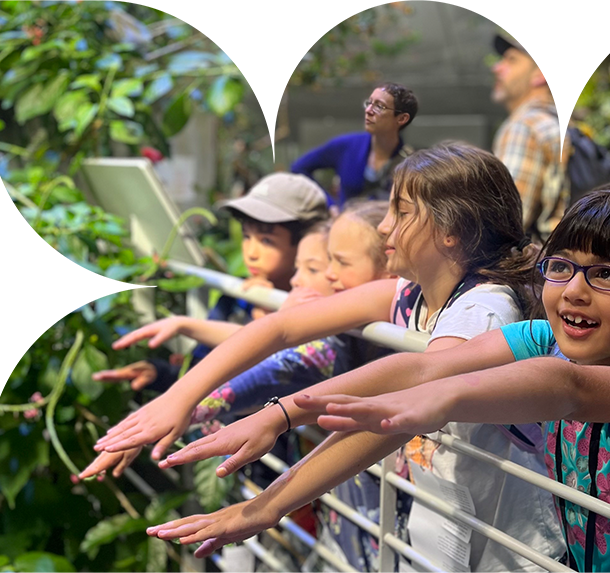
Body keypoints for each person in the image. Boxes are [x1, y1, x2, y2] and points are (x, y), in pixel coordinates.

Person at [147, 186, 610, 572]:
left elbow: (573, 391)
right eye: (562, 266)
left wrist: (430, 404)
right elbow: (424, 362)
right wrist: (284, 415)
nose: (574, 290)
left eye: (608, 274)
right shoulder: (546, 334)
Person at [95, 142, 566, 573]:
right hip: (445, 520)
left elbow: (404, 402)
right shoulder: (412, 294)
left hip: (505, 549)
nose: (384, 226)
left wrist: (270, 484)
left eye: (401, 213)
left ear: (452, 231)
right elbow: (282, 327)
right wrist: (179, 396)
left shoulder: (484, 310)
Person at [79, 202, 393, 479]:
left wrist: (175, 406)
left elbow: (271, 353)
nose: (325, 275)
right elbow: (269, 345)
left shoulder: (334, 339)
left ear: (390, 268)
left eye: (332, 264)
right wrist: (169, 399)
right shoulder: (274, 311)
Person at [91, 173, 330, 393]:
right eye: (247, 236)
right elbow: (202, 367)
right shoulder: (237, 298)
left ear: (307, 242)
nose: (251, 252)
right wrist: (160, 374)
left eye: (266, 240)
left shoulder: (320, 311)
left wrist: (269, 317)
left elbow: (279, 381)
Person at [292, 82, 418, 211]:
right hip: (345, 226)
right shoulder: (347, 145)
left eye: (380, 106)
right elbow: (299, 167)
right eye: (369, 103)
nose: (368, 111)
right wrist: (330, 205)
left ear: (402, 118)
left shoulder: (410, 162)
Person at [491, 34, 567, 241]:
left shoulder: (524, 126)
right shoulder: (565, 124)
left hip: (543, 268)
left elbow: (505, 224)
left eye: (511, 60)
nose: (496, 68)